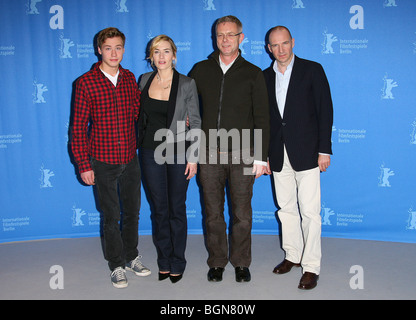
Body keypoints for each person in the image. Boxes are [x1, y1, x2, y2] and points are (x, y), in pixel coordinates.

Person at [190, 16, 270, 283]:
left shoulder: (253, 73)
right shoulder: (200, 70)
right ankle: (217, 262)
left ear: (241, 38)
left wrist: (260, 156)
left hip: (244, 153)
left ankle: (241, 262)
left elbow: (262, 117)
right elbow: (187, 108)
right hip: (208, 153)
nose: (225, 40)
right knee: (212, 212)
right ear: (215, 37)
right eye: (220, 35)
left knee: (241, 213)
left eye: (230, 35)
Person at [71, 27, 150, 289]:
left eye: (118, 47)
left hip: (130, 159)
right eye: (108, 48)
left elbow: (140, 115)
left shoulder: (130, 79)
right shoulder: (85, 83)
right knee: (110, 215)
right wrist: (84, 164)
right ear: (99, 50)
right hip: (102, 161)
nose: (113, 53)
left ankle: (131, 256)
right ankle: (116, 264)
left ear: (124, 50)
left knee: (133, 213)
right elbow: (78, 128)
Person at [263, 26, 333, 290]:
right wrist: (264, 155)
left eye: (284, 44)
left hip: (307, 153)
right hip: (278, 154)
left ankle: (311, 266)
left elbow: (325, 110)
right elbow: (265, 120)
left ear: (293, 42)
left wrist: (324, 150)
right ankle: (292, 255)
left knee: (310, 212)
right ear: (268, 48)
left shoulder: (312, 70)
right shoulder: (264, 77)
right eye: (275, 45)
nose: (280, 50)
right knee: (286, 209)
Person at [138, 35, 201, 283]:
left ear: (174, 55)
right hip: (149, 152)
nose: (161, 57)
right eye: (156, 52)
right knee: (159, 210)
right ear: (151, 57)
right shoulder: (143, 80)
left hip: (178, 152)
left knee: (177, 208)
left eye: (166, 51)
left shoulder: (186, 83)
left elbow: (195, 121)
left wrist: (193, 157)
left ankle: (178, 261)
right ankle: (163, 260)